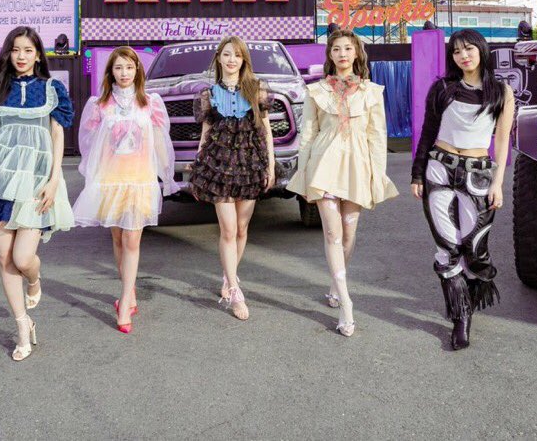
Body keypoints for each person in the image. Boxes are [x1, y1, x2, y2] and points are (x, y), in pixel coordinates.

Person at [0, 26, 75, 361]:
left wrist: (54, 181)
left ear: (38, 54)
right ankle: (23, 326)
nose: (21, 56)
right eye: (15, 50)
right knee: (4, 257)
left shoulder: (52, 90)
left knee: (23, 258)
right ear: (8, 54)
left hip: (36, 181)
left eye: (28, 50)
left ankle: (34, 279)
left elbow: (57, 136)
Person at [287, 29, 398, 336]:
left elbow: (378, 136)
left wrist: (378, 174)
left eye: (348, 48)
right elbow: (308, 134)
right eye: (336, 49)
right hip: (324, 165)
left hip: (358, 166)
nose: (342, 54)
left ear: (357, 53)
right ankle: (346, 305)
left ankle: (336, 284)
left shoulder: (372, 92)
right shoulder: (317, 91)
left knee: (349, 234)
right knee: (333, 234)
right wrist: (304, 172)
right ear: (330, 55)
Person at [410, 28, 515, 350]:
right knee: (447, 247)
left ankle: (472, 290)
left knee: (475, 249)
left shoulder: (501, 92)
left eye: (469, 49)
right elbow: (428, 131)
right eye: (456, 51)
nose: (463, 56)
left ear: (481, 50)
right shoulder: (443, 88)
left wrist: (498, 183)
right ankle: (461, 316)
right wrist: (417, 175)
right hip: (438, 170)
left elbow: (502, 140)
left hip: (478, 175)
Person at [73, 47, 179, 334]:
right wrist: (91, 176)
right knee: (118, 238)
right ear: (111, 71)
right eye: (118, 68)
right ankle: (128, 291)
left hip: (139, 179)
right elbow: (89, 143)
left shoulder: (150, 103)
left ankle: (124, 303)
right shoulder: (99, 104)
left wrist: (166, 176)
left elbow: (161, 141)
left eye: (129, 68)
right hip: (111, 180)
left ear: (137, 71)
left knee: (132, 240)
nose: (124, 73)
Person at [191, 35, 275, 321]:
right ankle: (236, 293)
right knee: (227, 230)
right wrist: (199, 168)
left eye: (237, 55)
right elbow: (205, 135)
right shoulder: (209, 94)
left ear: (243, 60)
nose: (231, 60)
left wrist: (270, 167)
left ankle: (229, 277)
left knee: (241, 228)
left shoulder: (256, 89)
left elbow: (266, 131)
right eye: (227, 54)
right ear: (219, 58)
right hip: (219, 166)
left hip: (250, 165)